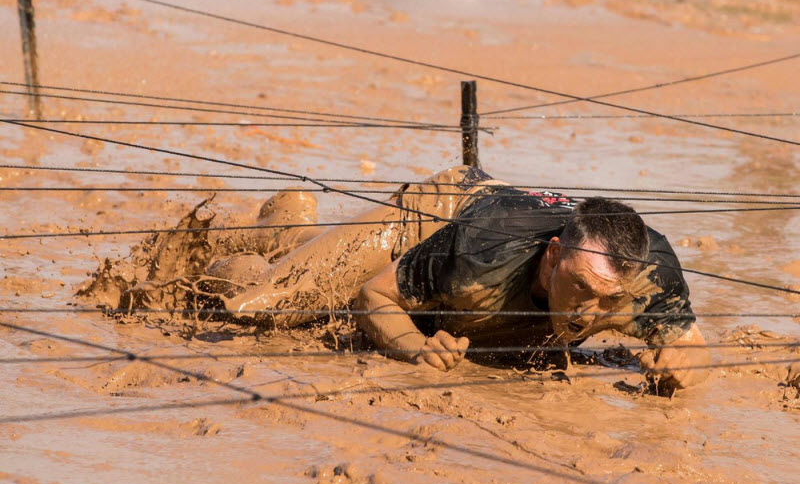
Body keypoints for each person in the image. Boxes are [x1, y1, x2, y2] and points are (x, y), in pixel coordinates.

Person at [205, 165, 710, 391]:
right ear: (554, 257)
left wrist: (681, 367)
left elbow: (692, 345)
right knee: (262, 308)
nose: (587, 313)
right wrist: (412, 346)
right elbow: (372, 295)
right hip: (443, 212)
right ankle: (272, 236)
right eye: (579, 287)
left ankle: (297, 240)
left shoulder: (650, 273)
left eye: (607, 301)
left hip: (502, 216)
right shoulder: (480, 251)